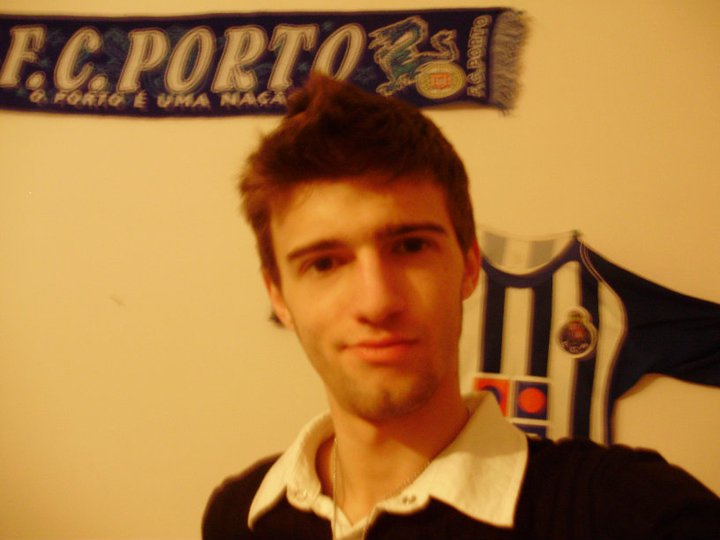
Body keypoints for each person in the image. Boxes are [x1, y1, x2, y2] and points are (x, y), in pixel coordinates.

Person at [203, 74, 720, 540]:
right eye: (324, 263)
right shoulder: (237, 517)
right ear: (278, 295)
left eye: (410, 246)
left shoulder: (631, 513)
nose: (377, 302)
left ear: (470, 265)